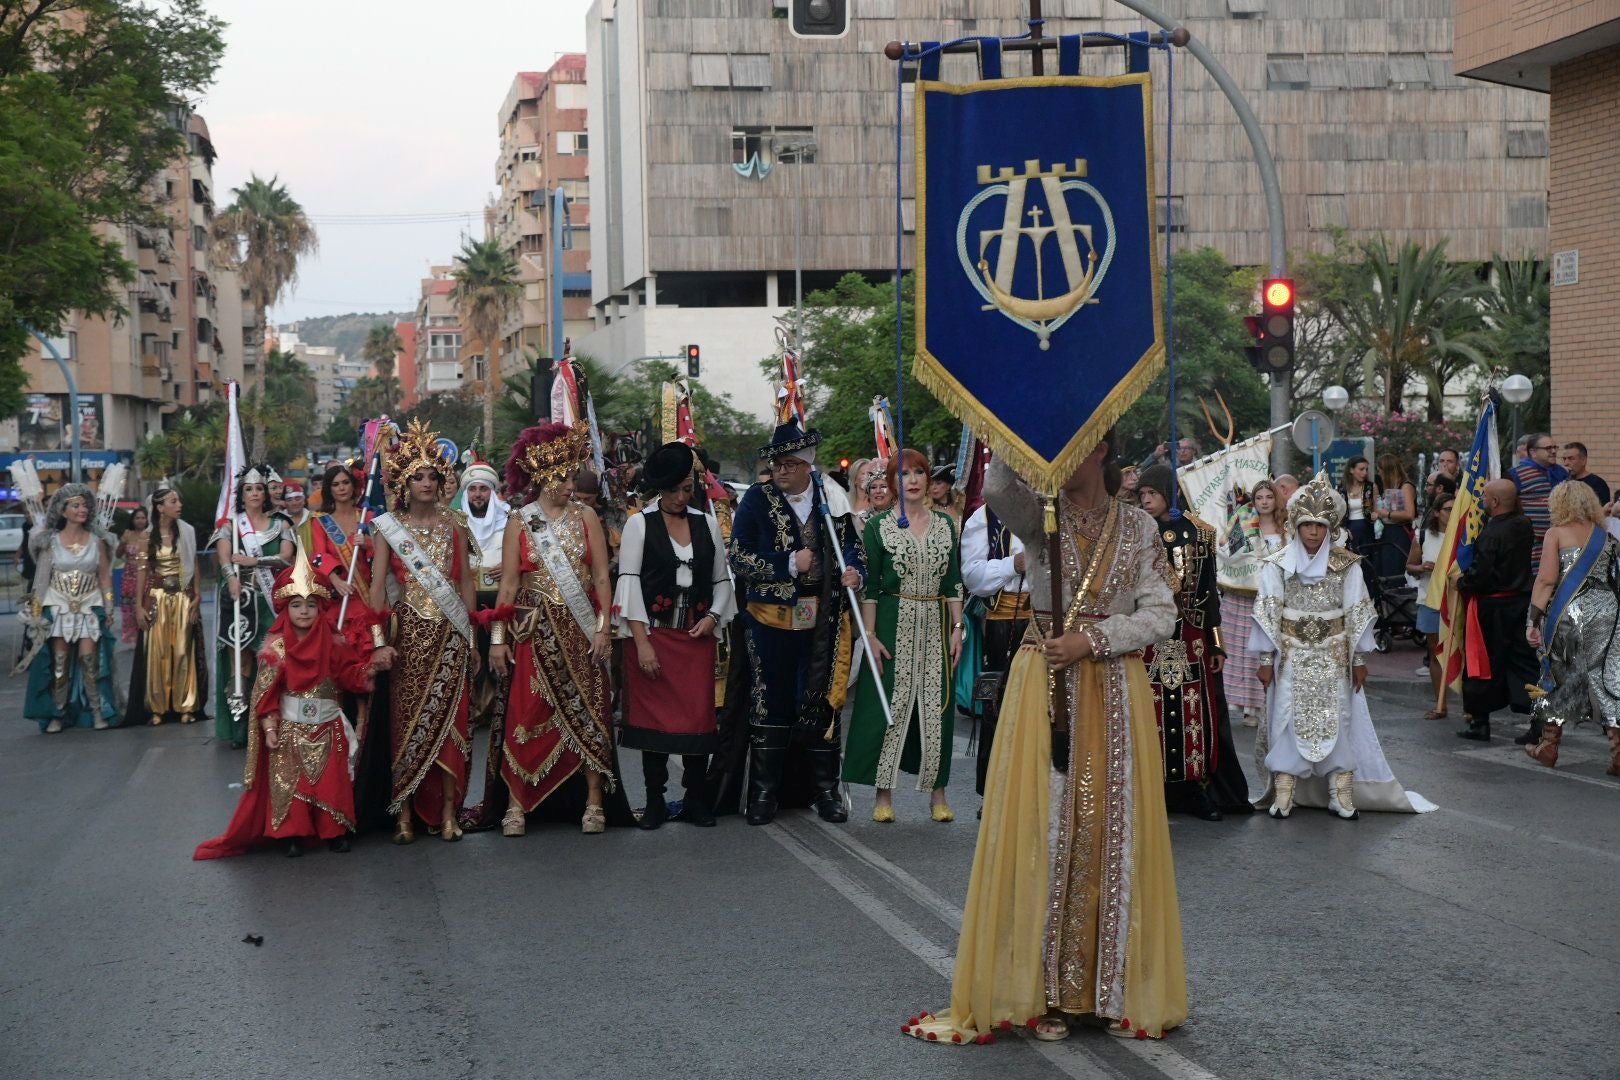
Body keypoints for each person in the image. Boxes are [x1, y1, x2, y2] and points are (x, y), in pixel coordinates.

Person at [904, 428, 1184, 1045]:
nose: (1061, 457)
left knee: (1112, 829)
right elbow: (1000, 487)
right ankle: (1046, 995)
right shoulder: (1039, 518)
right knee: (1048, 825)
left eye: (1074, 443)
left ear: (1102, 450)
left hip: (1112, 688)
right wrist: (1012, 423)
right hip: (1045, 687)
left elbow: (1162, 613)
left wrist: (1094, 639)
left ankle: (1108, 992)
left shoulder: (1138, 528)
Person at [1251, 472, 1435, 819]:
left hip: (1334, 654)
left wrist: (1360, 658)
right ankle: (1285, 791)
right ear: (1296, 524)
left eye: (1320, 526)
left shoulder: (1346, 565)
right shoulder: (1278, 565)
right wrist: (1265, 657)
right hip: (1291, 654)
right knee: (1287, 716)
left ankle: (1341, 791)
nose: (1313, 533)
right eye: (1307, 525)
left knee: (1339, 715)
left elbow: (1357, 610)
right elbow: (1267, 610)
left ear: (1330, 528)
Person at [194, 548, 389, 859]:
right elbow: (267, 694)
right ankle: (292, 835)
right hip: (289, 730)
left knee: (332, 782)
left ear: (321, 608)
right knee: (290, 785)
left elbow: (349, 675)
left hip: (328, 725)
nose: (304, 611)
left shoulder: (334, 642)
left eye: (311, 605)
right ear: (286, 608)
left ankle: (334, 830)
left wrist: (370, 670)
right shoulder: (276, 648)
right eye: (297, 605)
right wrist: (269, 727)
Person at [484, 422, 621, 837]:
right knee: (526, 711)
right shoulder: (519, 522)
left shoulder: (588, 517)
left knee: (590, 708)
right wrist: (497, 639)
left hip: (581, 630)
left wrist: (603, 630)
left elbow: (600, 578)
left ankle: (594, 800)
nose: (570, 482)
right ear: (543, 478)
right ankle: (516, 803)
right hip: (534, 629)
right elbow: (507, 584)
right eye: (563, 476)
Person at [729, 420, 865, 826]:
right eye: (777, 464)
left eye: (789, 464)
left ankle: (825, 791)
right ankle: (763, 792)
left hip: (821, 616)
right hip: (769, 617)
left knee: (821, 700)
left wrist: (856, 572)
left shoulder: (832, 499)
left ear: (808, 465)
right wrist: (788, 563)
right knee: (771, 698)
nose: (781, 471)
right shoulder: (756, 500)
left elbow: (854, 549)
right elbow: (739, 556)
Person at [614, 441, 736, 829]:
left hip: (695, 639)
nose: (681, 497)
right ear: (659, 489)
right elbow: (629, 584)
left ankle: (695, 798)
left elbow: (721, 579)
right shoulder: (638, 524)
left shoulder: (707, 523)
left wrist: (715, 617)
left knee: (698, 721)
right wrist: (643, 644)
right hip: (653, 636)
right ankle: (653, 801)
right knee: (655, 726)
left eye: (687, 489)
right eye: (674, 490)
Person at [368, 420, 478, 844]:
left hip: (451, 634)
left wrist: (472, 637)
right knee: (406, 723)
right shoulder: (387, 528)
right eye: (418, 476)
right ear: (404, 482)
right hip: (406, 635)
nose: (427, 482)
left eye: (433, 475)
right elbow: (377, 589)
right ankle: (405, 812)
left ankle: (449, 811)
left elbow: (466, 582)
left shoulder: (456, 523)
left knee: (453, 721)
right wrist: (379, 644)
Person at [843, 449, 964, 822]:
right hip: (894, 622)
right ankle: (883, 797)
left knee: (936, 707)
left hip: (936, 623)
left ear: (928, 480)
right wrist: (871, 635)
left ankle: (938, 795)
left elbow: (953, 582)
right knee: (890, 707)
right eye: (904, 474)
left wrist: (958, 628)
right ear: (893, 483)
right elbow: (873, 589)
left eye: (918, 473)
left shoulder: (946, 524)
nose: (911, 480)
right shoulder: (879, 527)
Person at [1135, 465, 1246, 820]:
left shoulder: (1201, 532)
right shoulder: (1136, 534)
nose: (1146, 500)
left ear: (1169, 492)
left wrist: (1217, 644)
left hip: (1190, 637)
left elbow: (1208, 592)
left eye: (1152, 493)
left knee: (1192, 711)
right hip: (1149, 637)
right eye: (1142, 495)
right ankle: (1153, 790)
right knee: (1150, 710)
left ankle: (1193, 788)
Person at [1523, 481, 1620, 774]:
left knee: (1558, 675)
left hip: (1569, 613)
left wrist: (1533, 619)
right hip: (1608, 612)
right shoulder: (1606, 536)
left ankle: (1548, 746)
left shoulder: (1555, 534)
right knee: (1609, 680)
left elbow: (1546, 580)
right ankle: (1617, 752)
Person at [19, 485, 121, 732]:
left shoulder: (98, 541)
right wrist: (35, 613)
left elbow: (105, 576)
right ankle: (57, 714)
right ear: (63, 510)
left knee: (90, 662)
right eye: (76, 505)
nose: (82, 509)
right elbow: (41, 580)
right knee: (59, 665)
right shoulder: (49, 542)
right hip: (59, 608)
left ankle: (97, 712)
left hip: (88, 607)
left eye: (85, 505)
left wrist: (108, 608)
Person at [210, 464, 295, 746]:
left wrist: (256, 561)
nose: (255, 493)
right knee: (241, 662)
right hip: (240, 601)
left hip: (270, 599)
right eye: (249, 489)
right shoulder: (231, 526)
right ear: (241, 495)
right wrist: (230, 578)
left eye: (259, 488)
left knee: (273, 660)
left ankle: (272, 723)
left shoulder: (281, 523)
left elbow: (286, 557)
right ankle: (240, 727)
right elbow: (224, 557)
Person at [1452, 479, 1538, 743]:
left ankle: (1479, 721)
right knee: (1524, 664)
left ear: (1495, 502)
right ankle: (1540, 724)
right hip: (1520, 604)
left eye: (1485, 497)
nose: (1481, 500)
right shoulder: (1524, 525)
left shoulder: (1491, 534)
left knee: (1482, 662)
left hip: (1492, 608)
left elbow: (1482, 575)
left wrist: (1462, 582)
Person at [959, 494, 1031, 797]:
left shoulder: (1057, 509)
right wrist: (1012, 565)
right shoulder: (986, 517)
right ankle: (993, 791)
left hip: (1048, 618)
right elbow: (972, 576)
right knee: (997, 701)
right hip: (1003, 620)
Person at [131, 487, 205, 726]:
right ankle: (158, 706)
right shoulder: (147, 537)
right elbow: (142, 573)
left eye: (179, 500)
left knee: (183, 650)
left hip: (182, 598)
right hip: (157, 598)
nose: (179, 504)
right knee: (159, 652)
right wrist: (138, 606)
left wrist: (196, 595)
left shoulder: (187, 532)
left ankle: (186, 705)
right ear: (160, 507)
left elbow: (193, 565)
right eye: (174, 501)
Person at [1223, 479, 1285, 729]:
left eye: (1269, 497)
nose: (1264, 502)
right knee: (1242, 654)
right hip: (1243, 598)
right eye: (1259, 498)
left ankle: (1265, 706)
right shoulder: (1243, 523)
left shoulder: (1286, 528)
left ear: (1276, 499)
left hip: (1272, 599)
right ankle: (1246, 708)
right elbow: (1228, 553)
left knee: (1267, 654)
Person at [454, 459, 509, 731]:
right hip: (468, 599)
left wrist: (512, 565)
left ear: (492, 492)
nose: (478, 494)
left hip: (501, 599)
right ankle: (475, 710)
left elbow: (529, 555)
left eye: (483, 489)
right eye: (473, 489)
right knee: (472, 655)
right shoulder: (454, 523)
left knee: (500, 655)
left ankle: (502, 710)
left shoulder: (510, 519)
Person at [1408, 488, 1456, 722]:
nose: (1453, 512)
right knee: (1436, 652)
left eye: (1456, 508)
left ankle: (1470, 707)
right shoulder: (1424, 535)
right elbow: (1409, 567)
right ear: (1437, 513)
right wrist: (1422, 567)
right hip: (1430, 599)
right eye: (1448, 509)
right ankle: (1440, 703)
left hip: (1457, 600)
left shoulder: (1464, 535)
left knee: (1460, 652)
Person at [1512, 433, 1568, 578]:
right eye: (1548, 448)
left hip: (1561, 543)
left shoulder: (1561, 473)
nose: (1554, 451)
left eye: (1555, 447)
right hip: (1532, 546)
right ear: (1533, 452)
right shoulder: (1516, 474)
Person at [1372, 452, 1418, 582]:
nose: (1379, 474)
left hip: (1399, 532)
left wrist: (1386, 514)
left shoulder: (1405, 486)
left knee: (1396, 570)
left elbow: (1409, 514)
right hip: (1387, 532)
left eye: (1380, 471)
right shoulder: (1390, 487)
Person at [116, 507, 149, 645]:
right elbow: (118, 555)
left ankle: (146, 635)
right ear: (133, 520)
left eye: (143, 518)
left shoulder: (150, 534)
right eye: (137, 518)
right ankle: (133, 637)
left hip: (146, 574)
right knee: (129, 607)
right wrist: (122, 542)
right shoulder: (128, 535)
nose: (140, 521)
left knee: (145, 604)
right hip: (129, 575)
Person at [1560, 441, 1610, 506]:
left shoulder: (1598, 484)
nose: (1566, 463)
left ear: (1583, 460)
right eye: (1564, 459)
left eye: (1571, 459)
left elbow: (1602, 512)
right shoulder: (1564, 482)